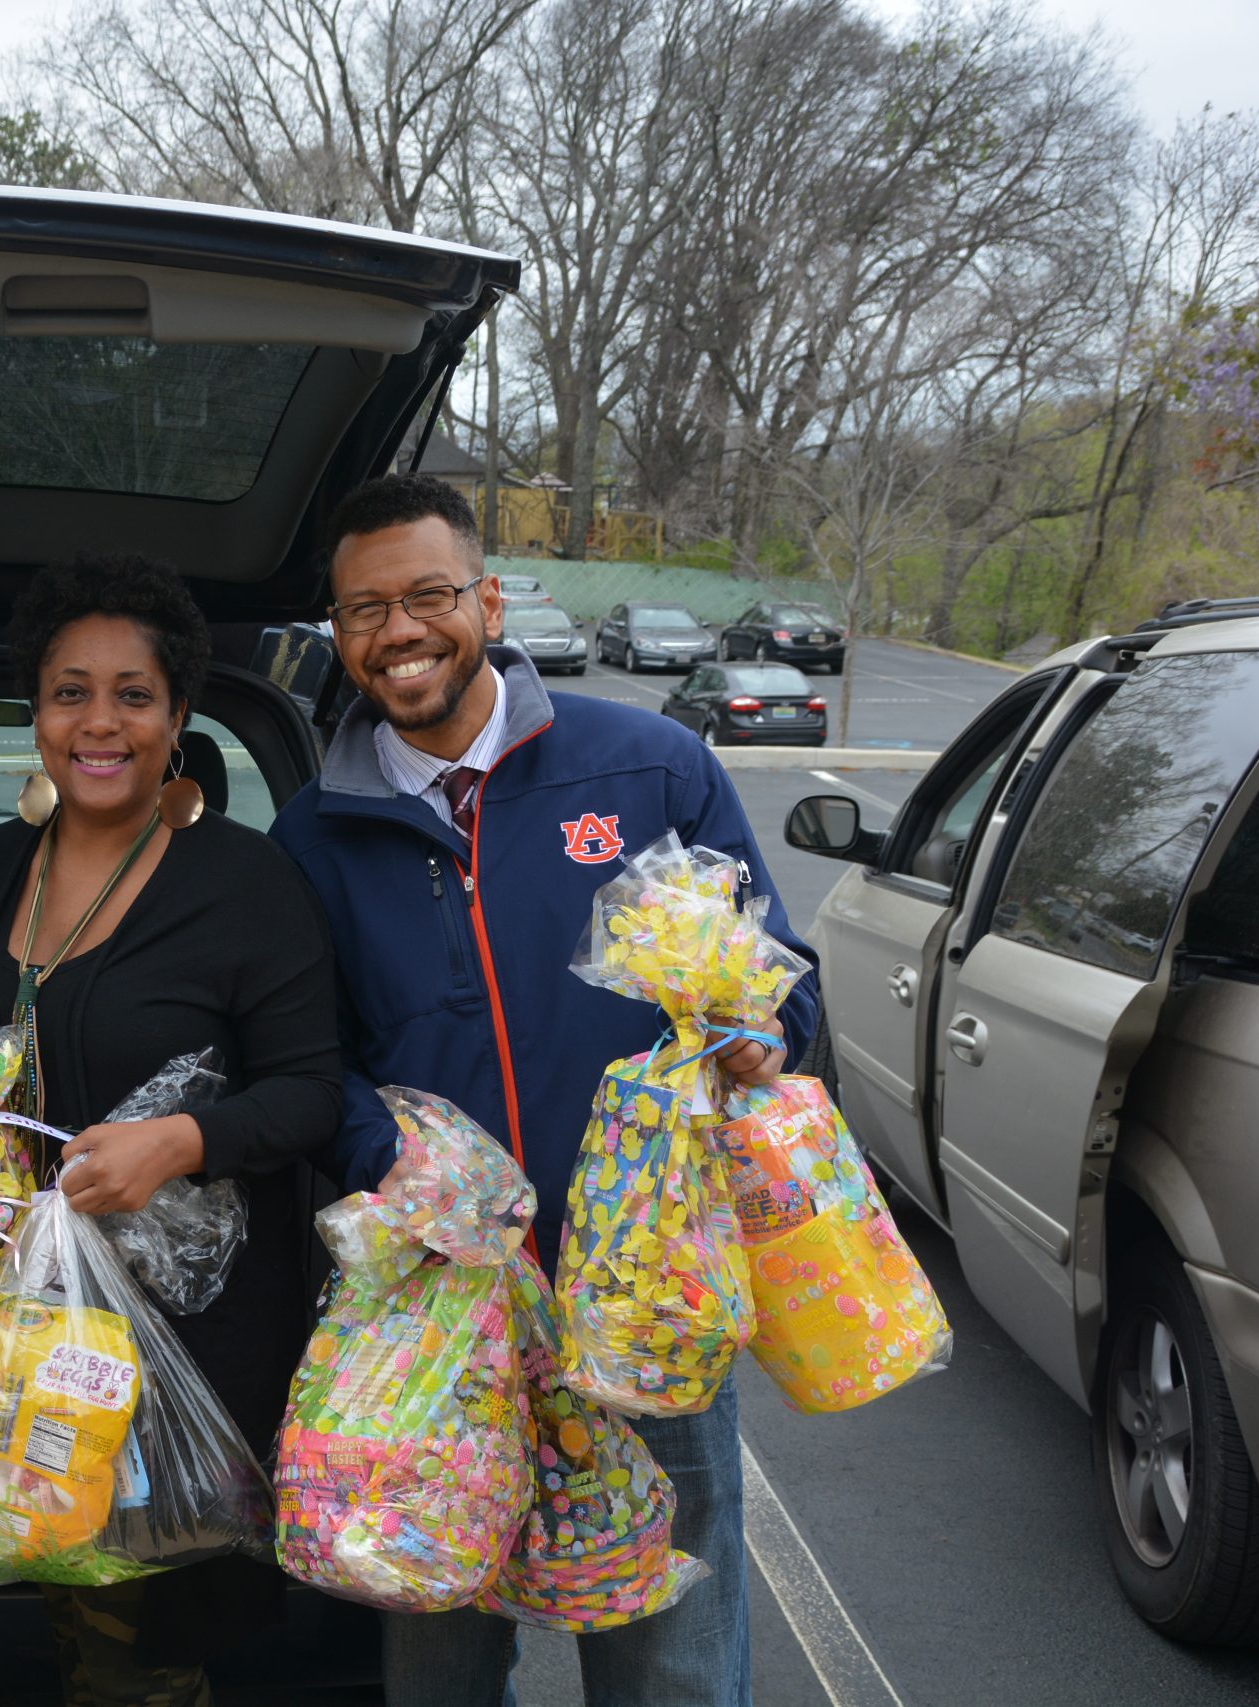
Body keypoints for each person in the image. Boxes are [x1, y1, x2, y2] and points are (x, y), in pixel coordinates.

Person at [268, 474, 822, 1707]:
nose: (399, 631)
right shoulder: (312, 837)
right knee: (441, 1649)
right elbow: (307, 1063)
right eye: (364, 609)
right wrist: (396, 1163)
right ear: (337, 632)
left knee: (671, 1657)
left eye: (427, 595)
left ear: (488, 600)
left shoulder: (649, 767)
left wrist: (761, 1034)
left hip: (646, 1294)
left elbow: (780, 980)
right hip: (436, 1315)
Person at [0, 554, 344, 1707]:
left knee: (137, 1650)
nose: (99, 723)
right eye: (70, 693)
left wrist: (179, 1143)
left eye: (132, 694)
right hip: (10, 1322)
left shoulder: (243, 884)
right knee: (53, 1598)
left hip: (176, 1333)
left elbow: (311, 1090)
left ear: (177, 716)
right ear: (36, 713)